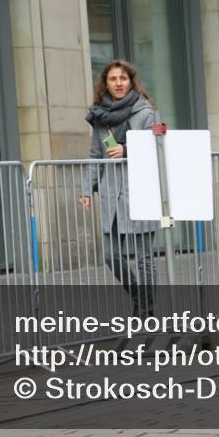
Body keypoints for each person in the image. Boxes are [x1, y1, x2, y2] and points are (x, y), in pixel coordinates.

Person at [80, 60, 164, 318]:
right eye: (113, 79)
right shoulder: (100, 116)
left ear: (131, 82)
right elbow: (96, 155)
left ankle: (147, 311)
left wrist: (128, 151)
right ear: (105, 83)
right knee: (110, 255)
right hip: (110, 194)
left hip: (140, 191)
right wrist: (86, 189)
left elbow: (158, 149)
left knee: (143, 257)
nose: (118, 83)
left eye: (123, 79)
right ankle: (139, 297)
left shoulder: (146, 112)